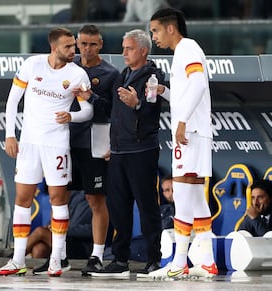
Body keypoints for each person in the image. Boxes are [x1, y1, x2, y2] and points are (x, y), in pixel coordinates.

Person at [0, 27, 93, 277]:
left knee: (59, 199)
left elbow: (88, 111)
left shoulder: (78, 74)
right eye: (69, 46)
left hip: (56, 144)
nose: (74, 50)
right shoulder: (32, 65)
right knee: (22, 199)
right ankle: (17, 260)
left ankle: (57, 259)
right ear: (54, 47)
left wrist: (72, 115)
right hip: (28, 143)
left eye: (74, 46)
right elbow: (13, 100)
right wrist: (10, 135)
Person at [32, 24, 121, 276]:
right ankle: (59, 256)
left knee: (96, 199)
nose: (86, 49)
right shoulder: (65, 68)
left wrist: (91, 96)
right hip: (62, 143)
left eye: (92, 44)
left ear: (101, 44)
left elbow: (113, 112)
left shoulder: (110, 73)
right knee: (60, 199)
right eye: (82, 44)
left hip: (94, 144)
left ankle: (97, 255)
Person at [89, 29, 168, 279]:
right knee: (118, 207)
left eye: (129, 48)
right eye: (123, 48)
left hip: (142, 150)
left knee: (147, 207)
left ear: (143, 51)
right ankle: (120, 259)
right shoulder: (122, 75)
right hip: (119, 151)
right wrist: (89, 96)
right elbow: (113, 110)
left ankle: (154, 259)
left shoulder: (153, 77)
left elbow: (153, 110)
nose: (123, 53)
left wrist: (138, 104)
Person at [148, 8, 217, 279]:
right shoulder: (184, 51)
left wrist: (181, 122)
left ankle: (179, 261)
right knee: (197, 199)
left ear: (170, 28)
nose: (153, 36)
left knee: (183, 196)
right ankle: (208, 261)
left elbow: (199, 84)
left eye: (155, 30)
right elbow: (187, 92)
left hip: (191, 132)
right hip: (196, 131)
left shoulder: (186, 48)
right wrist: (163, 91)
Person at [30, 190, 93, 275]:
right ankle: (40, 279)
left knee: (40, 232)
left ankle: (16, 258)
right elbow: (60, 215)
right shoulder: (72, 194)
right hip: (65, 239)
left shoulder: (96, 199)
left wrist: (66, 230)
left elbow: (92, 230)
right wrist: (50, 225)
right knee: (39, 248)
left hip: (82, 246)